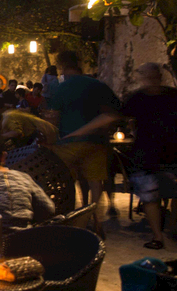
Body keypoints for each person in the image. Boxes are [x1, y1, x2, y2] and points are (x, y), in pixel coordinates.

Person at [47, 50, 122, 236]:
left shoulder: (59, 87)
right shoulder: (97, 85)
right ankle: (97, 224)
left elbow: (53, 118)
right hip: (96, 142)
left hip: (67, 143)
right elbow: (115, 111)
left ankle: (69, 224)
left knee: (66, 184)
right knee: (96, 185)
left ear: (62, 66)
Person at [122, 63, 177, 250]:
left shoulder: (137, 98)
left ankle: (160, 235)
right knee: (155, 197)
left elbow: (119, 119)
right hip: (161, 154)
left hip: (151, 154)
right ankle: (166, 232)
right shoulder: (170, 95)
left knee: (151, 198)